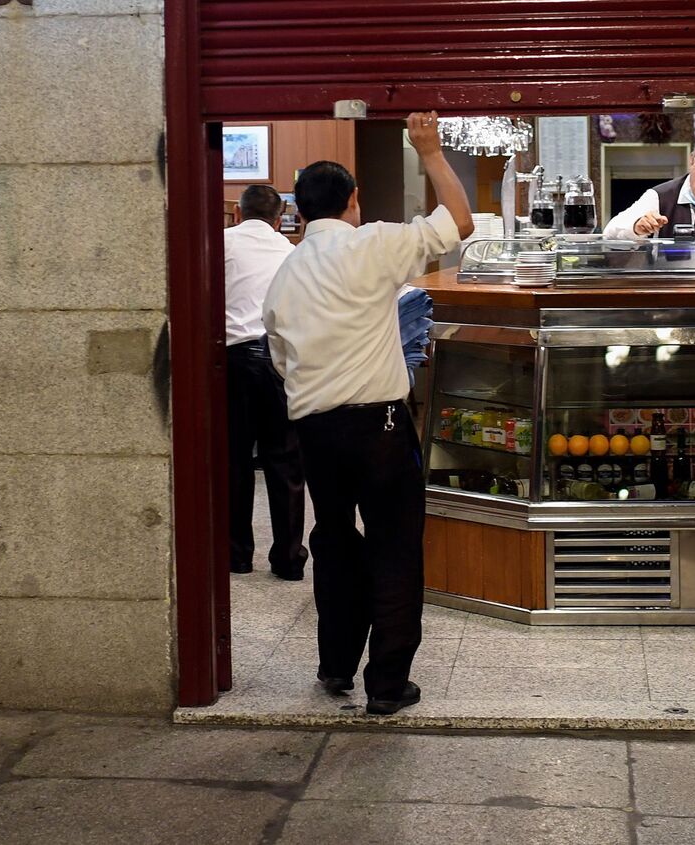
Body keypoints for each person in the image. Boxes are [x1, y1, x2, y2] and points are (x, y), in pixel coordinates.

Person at [262, 112, 473, 715]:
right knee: (395, 547)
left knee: (332, 541)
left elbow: (280, 360)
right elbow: (458, 222)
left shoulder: (286, 275)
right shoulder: (375, 244)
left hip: (316, 431)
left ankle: (334, 667)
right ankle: (387, 684)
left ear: (298, 212)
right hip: (380, 428)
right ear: (354, 201)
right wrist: (428, 150)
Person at [224, 185, 308, 579]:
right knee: (285, 462)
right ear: (279, 220)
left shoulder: (221, 243)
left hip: (233, 361)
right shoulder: (290, 253)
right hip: (278, 361)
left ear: (238, 214)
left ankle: (237, 555)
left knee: (234, 460)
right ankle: (289, 560)